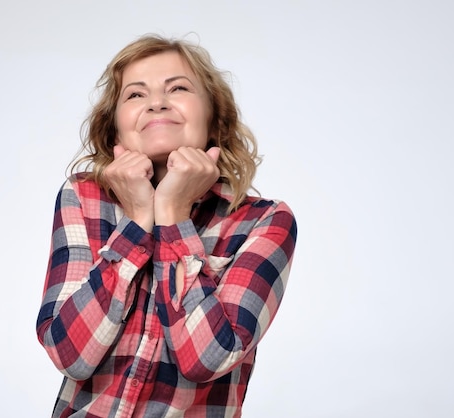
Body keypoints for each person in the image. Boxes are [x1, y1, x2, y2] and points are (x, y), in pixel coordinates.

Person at [36, 34, 297, 418]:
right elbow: (69, 353)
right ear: (115, 133)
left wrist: (171, 212)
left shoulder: (266, 221)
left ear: (215, 122)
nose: (157, 102)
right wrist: (140, 218)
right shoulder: (84, 198)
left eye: (177, 88)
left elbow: (206, 358)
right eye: (136, 95)